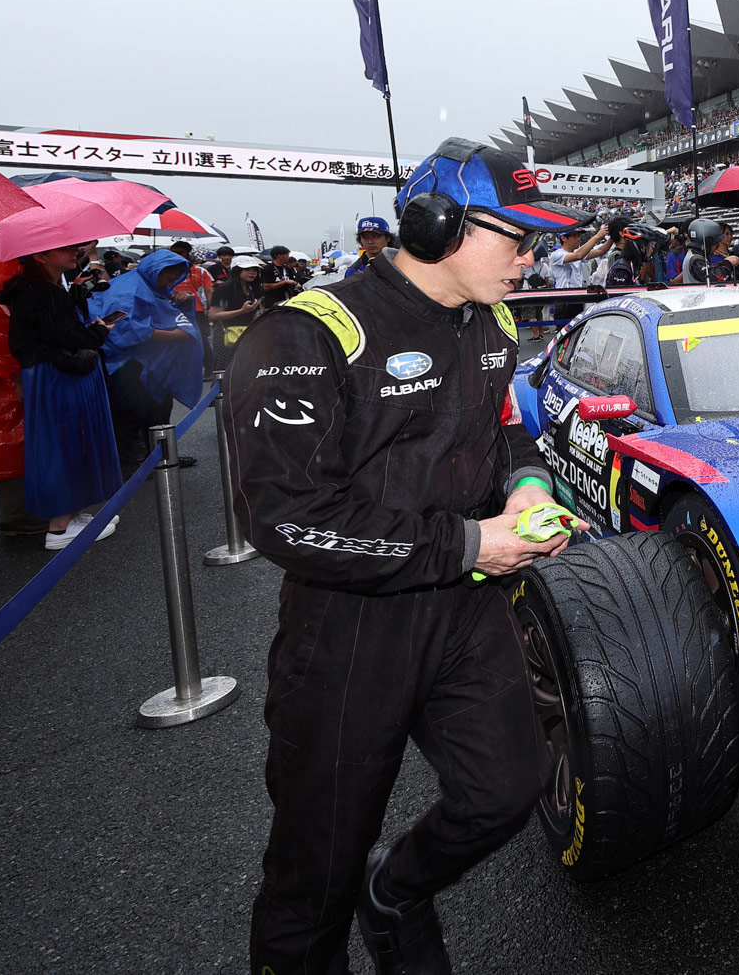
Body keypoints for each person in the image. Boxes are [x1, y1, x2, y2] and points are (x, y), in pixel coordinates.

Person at [232, 139, 586, 972]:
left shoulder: (494, 322)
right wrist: (471, 540)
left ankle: (393, 890)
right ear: (438, 226)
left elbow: (504, 431)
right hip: (350, 624)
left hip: (466, 605)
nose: (533, 260)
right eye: (519, 238)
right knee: (312, 877)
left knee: (508, 787)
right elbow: (284, 518)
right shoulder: (310, 333)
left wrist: (527, 489)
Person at [0, 244, 124, 550]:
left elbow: (52, 333)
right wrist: (100, 331)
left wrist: (75, 299)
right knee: (66, 443)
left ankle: (71, 515)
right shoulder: (44, 293)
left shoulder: (36, 289)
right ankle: (59, 526)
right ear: (40, 256)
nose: (73, 253)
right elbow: (68, 337)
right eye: (64, 249)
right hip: (60, 378)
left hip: (51, 376)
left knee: (66, 442)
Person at [92, 249, 205, 471]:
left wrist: (182, 302)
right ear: (155, 270)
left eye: (176, 277)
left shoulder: (156, 287)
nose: (172, 280)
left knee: (158, 409)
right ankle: (129, 466)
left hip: (151, 363)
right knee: (129, 413)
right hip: (126, 363)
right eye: (169, 275)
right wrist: (173, 335)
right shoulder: (127, 289)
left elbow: (163, 313)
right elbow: (117, 327)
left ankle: (160, 456)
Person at [207, 254, 265, 370]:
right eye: (247, 269)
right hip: (226, 333)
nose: (252, 273)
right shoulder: (224, 289)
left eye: (254, 270)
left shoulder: (253, 288)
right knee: (226, 367)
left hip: (247, 332)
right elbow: (213, 315)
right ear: (236, 271)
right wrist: (241, 311)